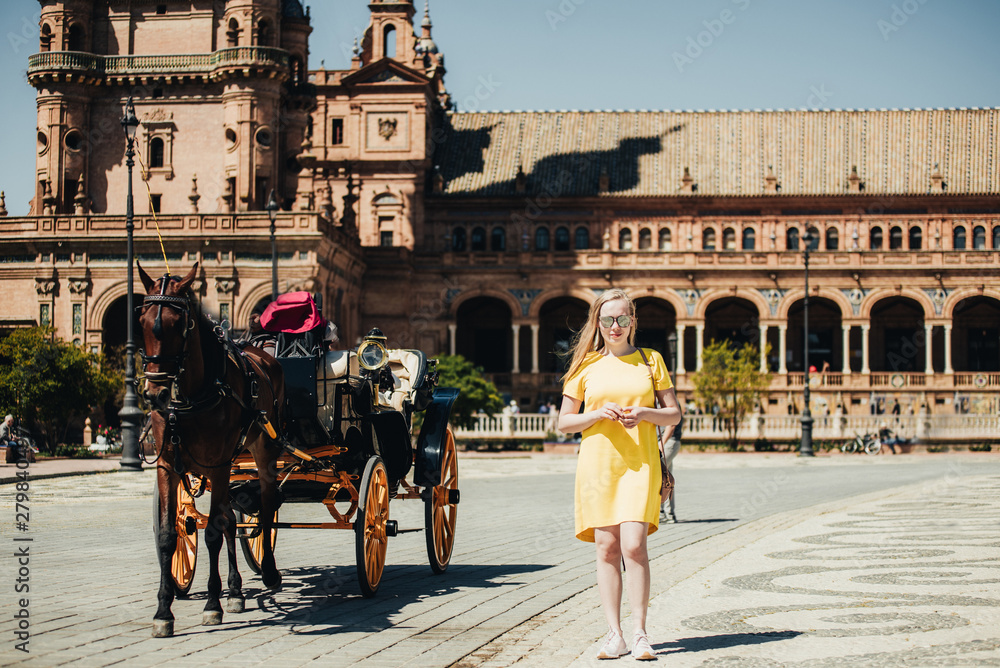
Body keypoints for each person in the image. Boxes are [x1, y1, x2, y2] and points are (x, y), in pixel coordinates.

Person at [557, 289, 681, 661]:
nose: (615, 326)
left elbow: (673, 414)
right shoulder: (584, 367)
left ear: (633, 322)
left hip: (640, 464)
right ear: (598, 323)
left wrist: (644, 414)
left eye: (623, 319)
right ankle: (615, 634)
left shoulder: (650, 360)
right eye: (608, 319)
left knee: (633, 546)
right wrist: (596, 414)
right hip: (599, 465)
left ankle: (641, 632)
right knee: (607, 548)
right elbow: (563, 422)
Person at [659, 416, 682, 523]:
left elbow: (672, 424)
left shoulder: (668, 400)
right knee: (666, 477)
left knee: (657, 474)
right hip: (667, 442)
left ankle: (661, 512)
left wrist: (661, 444)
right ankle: (669, 514)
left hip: (667, 441)